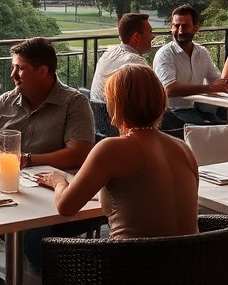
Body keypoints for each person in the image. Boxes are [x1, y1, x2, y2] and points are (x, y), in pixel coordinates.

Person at [37, 64, 199, 240]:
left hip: (129, 264)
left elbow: (65, 207)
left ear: (117, 104)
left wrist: (58, 181)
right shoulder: (183, 148)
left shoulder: (111, 149)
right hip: (189, 263)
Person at [0, 36, 94, 272]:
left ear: (42, 71)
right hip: (9, 188)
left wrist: (28, 160)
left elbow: (79, 153)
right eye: (13, 67)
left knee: (29, 237)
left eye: (20, 68)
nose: (12, 74)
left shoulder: (74, 103)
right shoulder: (5, 101)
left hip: (56, 195)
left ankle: (44, 275)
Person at [152, 4, 228, 126]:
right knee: (213, 128)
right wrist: (208, 88)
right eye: (176, 26)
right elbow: (170, 89)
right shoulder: (165, 54)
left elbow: (217, 80)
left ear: (195, 28)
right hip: (173, 113)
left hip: (199, 109)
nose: (180, 30)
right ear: (171, 28)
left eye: (185, 26)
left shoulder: (202, 52)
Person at [89, 13, 153, 102]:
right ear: (137, 37)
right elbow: (155, 96)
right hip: (120, 115)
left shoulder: (107, 53)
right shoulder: (135, 63)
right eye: (150, 32)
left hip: (99, 114)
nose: (152, 37)